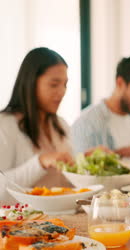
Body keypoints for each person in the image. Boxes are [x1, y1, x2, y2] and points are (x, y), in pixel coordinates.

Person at [0, 47, 75, 205]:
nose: (62, 92)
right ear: (31, 84)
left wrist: (86, 161)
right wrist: (39, 162)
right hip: (23, 224)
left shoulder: (60, 125)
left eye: (65, 85)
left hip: (64, 217)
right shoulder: (5, 125)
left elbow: (71, 182)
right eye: (54, 85)